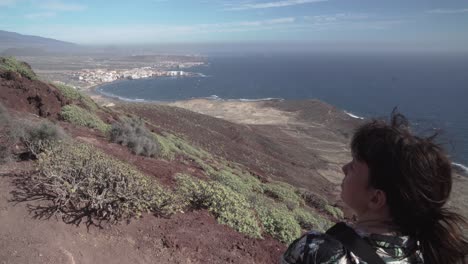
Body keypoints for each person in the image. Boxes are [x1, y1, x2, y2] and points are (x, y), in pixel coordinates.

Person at [281, 111, 468, 264]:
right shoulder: (428, 252)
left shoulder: (316, 251)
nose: (344, 168)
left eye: (354, 165)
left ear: (376, 199)